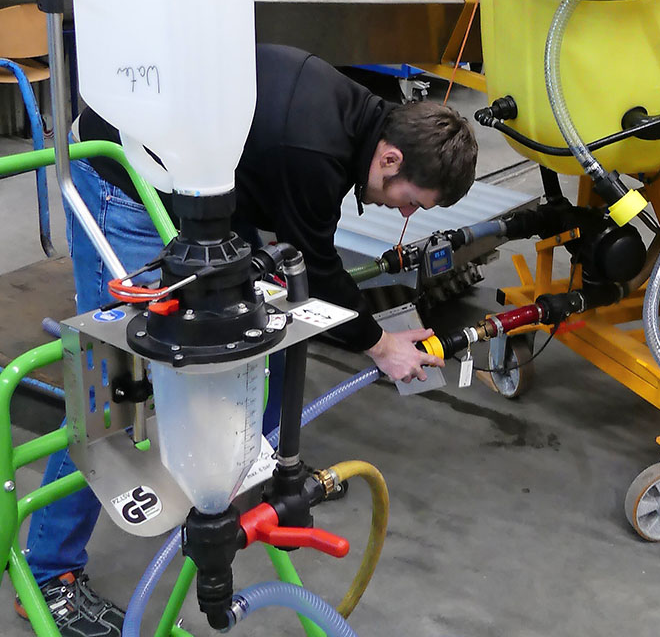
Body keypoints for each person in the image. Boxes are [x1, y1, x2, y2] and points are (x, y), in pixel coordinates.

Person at [17, 44, 478, 636]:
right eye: (410, 201)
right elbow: (319, 267)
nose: (404, 214)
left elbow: (304, 272)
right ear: (390, 158)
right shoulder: (316, 151)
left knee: (271, 332)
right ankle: (50, 574)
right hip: (124, 179)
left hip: (205, 187)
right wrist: (381, 346)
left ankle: (242, 471)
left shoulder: (357, 119)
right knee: (111, 391)